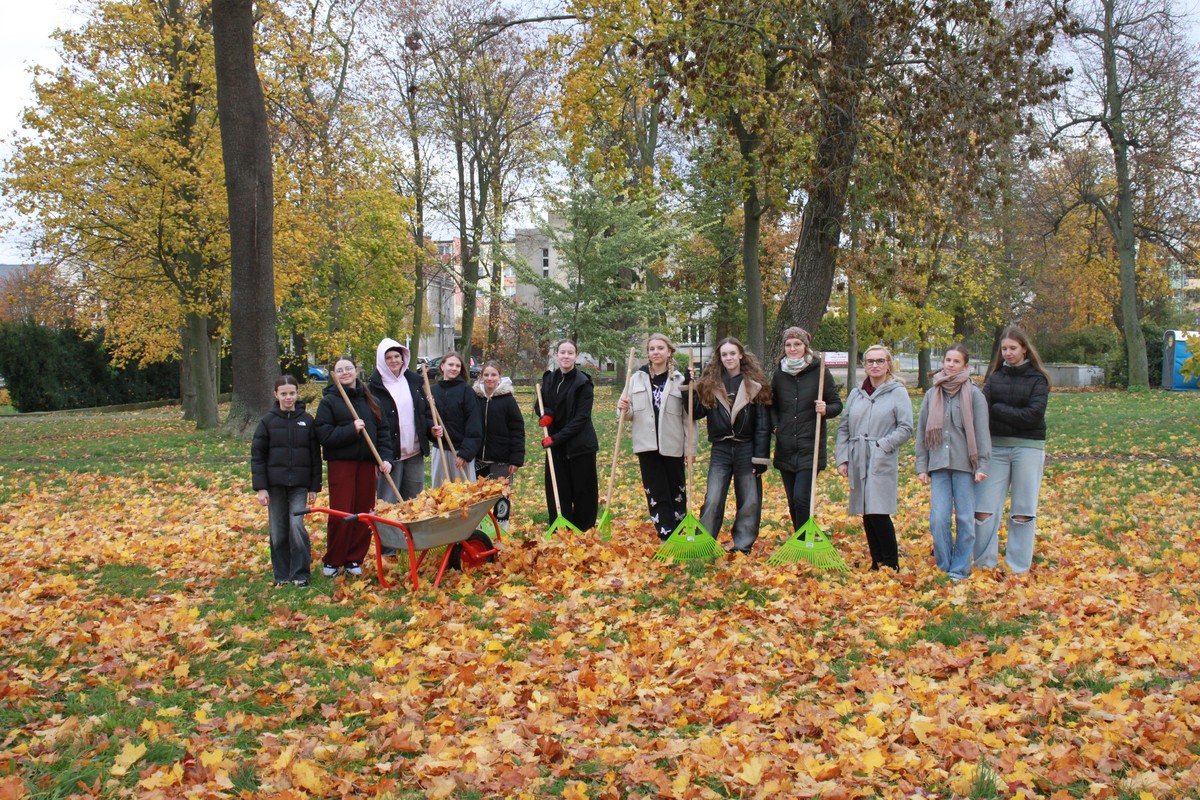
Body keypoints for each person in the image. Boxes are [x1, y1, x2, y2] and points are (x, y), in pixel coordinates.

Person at [973, 326, 1051, 576]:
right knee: (984, 508)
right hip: (995, 449)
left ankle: (1018, 567)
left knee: (1023, 511)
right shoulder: (995, 378)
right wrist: (1000, 412)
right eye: (1004, 349)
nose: (1008, 353)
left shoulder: (1038, 379)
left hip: (1028, 448)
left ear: (1024, 349)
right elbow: (982, 411)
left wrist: (999, 409)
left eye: (1013, 348)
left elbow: (1033, 416)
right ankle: (984, 563)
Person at [915, 344, 991, 581]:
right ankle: (944, 565)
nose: (950, 364)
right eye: (948, 359)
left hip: (965, 467)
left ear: (965, 366)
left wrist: (982, 466)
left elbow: (981, 432)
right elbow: (921, 432)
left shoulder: (974, 395)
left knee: (966, 520)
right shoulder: (932, 393)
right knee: (938, 519)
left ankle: (959, 569)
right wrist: (921, 466)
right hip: (938, 465)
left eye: (956, 361)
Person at [835, 345, 913, 571]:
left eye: (880, 361)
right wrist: (843, 458)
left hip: (881, 456)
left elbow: (906, 427)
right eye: (870, 361)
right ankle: (877, 560)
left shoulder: (897, 392)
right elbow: (843, 428)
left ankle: (891, 562)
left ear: (889, 364)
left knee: (878, 510)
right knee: (866, 510)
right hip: (857, 455)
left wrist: (882, 445)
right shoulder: (856, 393)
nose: (875, 365)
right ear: (864, 364)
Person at [314, 357, 393, 577]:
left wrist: (385, 458)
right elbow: (324, 434)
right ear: (335, 374)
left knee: (364, 512)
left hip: (367, 463)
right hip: (342, 463)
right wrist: (351, 429)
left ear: (356, 370)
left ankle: (353, 559)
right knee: (341, 511)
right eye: (340, 370)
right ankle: (334, 559)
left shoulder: (370, 399)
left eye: (348, 368)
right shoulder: (329, 402)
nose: (345, 373)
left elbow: (383, 431)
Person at [693, 337, 772, 554]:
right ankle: (704, 543)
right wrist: (692, 389)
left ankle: (743, 545)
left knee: (749, 499)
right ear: (720, 358)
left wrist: (761, 458)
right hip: (721, 448)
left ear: (740, 356)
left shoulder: (755, 385)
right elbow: (696, 412)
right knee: (713, 497)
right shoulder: (710, 384)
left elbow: (763, 425)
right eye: (724, 354)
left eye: (732, 353)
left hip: (747, 448)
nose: (728, 358)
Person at [617, 333, 696, 541]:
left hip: (673, 443)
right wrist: (624, 408)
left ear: (669, 352)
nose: (656, 352)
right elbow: (627, 413)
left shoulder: (680, 380)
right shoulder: (635, 379)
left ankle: (680, 529)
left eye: (660, 348)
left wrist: (691, 449)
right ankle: (665, 533)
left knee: (676, 489)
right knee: (655, 490)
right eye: (652, 349)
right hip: (647, 444)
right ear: (648, 353)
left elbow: (689, 418)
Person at [251, 376, 321, 587]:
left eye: (292, 393)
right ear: (276, 395)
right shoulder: (267, 422)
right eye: (283, 393)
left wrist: (314, 487)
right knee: (278, 530)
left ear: (297, 394)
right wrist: (261, 488)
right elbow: (258, 455)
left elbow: (315, 456)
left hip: (300, 485)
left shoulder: (307, 420)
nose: (288, 397)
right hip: (275, 486)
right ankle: (281, 574)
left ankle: (301, 573)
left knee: (296, 525)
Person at [771, 327, 843, 532]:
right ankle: (800, 537)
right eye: (788, 344)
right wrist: (776, 427)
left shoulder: (820, 372)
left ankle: (804, 540)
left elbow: (837, 404)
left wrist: (825, 409)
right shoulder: (779, 374)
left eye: (797, 344)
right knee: (793, 500)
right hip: (786, 446)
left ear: (805, 346)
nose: (792, 348)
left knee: (802, 497)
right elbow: (772, 405)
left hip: (810, 445)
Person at [535, 339, 599, 530]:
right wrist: (546, 415)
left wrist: (555, 438)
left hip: (580, 446)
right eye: (562, 352)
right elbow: (539, 404)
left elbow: (581, 419)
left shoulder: (584, 383)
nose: (566, 356)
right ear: (556, 355)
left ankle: (583, 530)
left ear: (576, 356)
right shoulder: (549, 379)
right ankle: (561, 530)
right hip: (555, 446)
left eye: (570, 353)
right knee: (558, 490)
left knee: (583, 491)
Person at [368, 338, 439, 504]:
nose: (393, 361)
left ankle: (411, 531)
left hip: (414, 451)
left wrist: (431, 430)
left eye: (396, 356)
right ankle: (388, 531)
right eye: (388, 357)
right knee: (388, 501)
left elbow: (422, 414)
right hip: (390, 455)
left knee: (414, 500)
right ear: (381, 360)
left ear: (403, 358)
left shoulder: (414, 382)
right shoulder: (374, 388)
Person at [474, 362, 525, 529]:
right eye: (486, 375)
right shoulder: (475, 398)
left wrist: (516, 460)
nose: (489, 378)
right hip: (478, 459)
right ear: (481, 377)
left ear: (500, 377)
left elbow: (517, 430)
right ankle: (481, 530)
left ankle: (501, 531)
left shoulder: (508, 400)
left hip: (502, 459)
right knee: (479, 497)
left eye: (493, 375)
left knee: (501, 495)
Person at [429, 352, 482, 487]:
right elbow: (426, 417)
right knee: (440, 494)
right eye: (450, 364)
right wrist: (432, 429)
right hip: (440, 450)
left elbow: (474, 423)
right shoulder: (432, 391)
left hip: (460, 453)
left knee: (464, 494)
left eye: (458, 366)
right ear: (442, 366)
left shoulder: (466, 390)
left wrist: (466, 453)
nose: (454, 368)